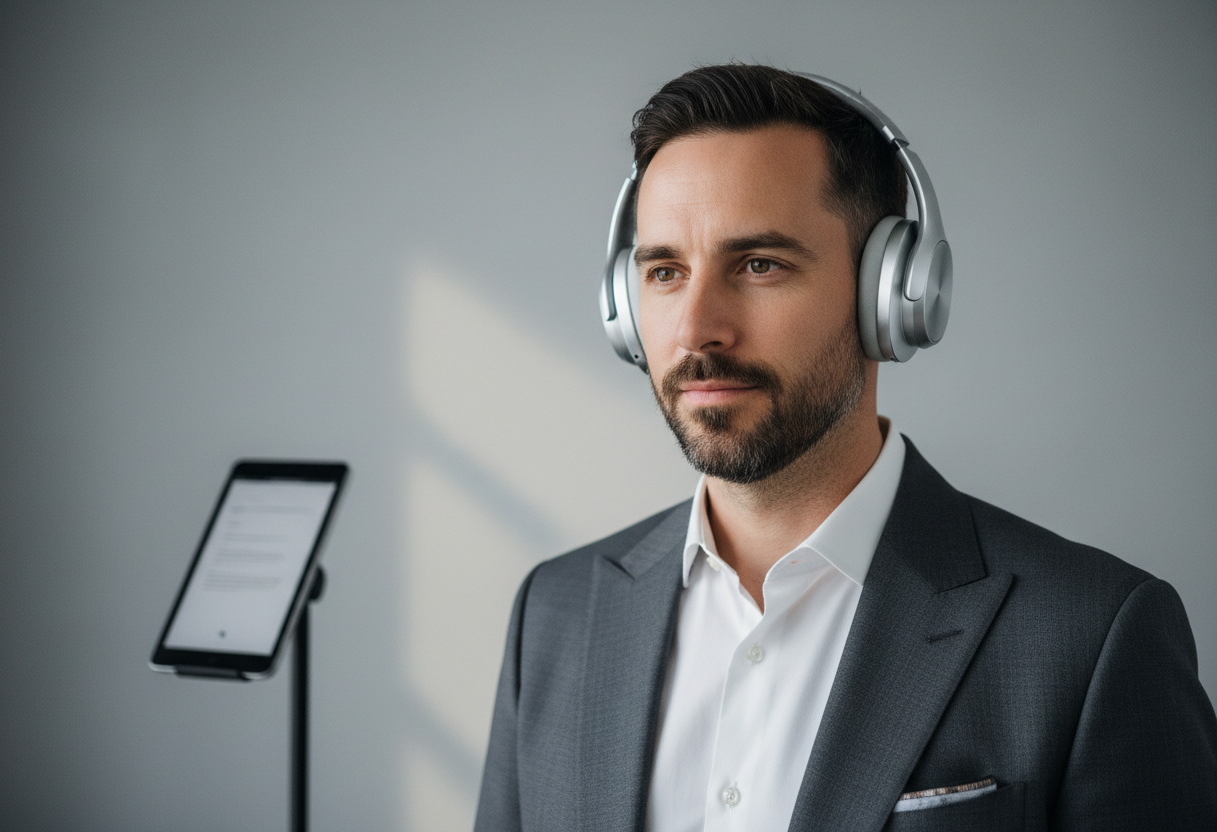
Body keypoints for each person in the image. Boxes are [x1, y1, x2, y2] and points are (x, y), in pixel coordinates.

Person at [472, 64, 1217, 832]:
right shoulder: (554, 614)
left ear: (890, 295)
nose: (696, 330)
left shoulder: (1094, 635)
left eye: (759, 265)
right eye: (665, 272)